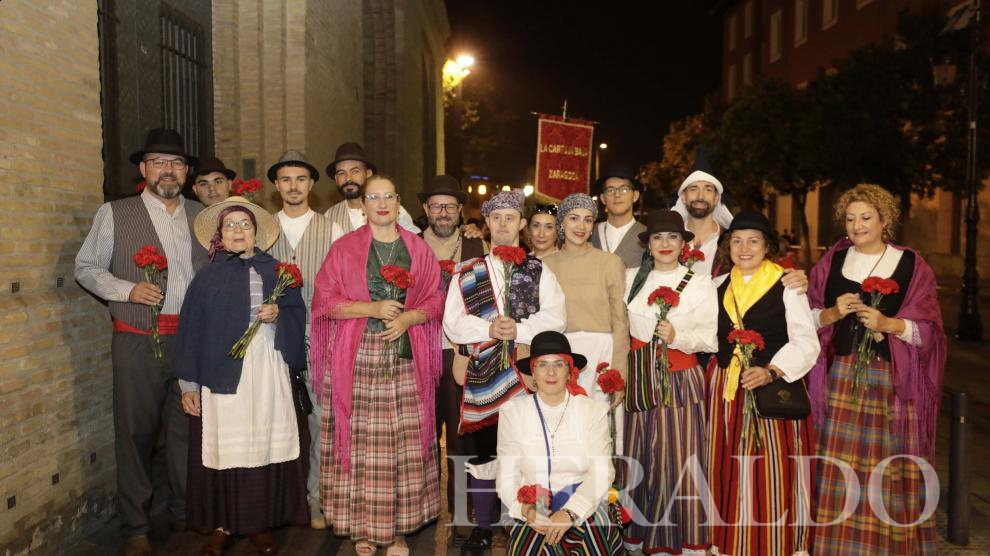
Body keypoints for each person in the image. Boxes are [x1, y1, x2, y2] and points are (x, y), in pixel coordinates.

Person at [75, 128, 206, 556]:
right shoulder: (116, 213)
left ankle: (188, 516)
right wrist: (126, 289)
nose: (168, 171)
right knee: (135, 433)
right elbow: (86, 266)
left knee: (189, 432)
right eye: (159, 162)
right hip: (136, 339)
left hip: (190, 341)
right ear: (143, 168)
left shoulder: (202, 216)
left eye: (177, 163)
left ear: (186, 172)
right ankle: (136, 526)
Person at [311, 174, 444, 555]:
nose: (382, 203)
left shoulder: (418, 248)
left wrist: (409, 318)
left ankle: (398, 530)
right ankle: (362, 530)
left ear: (398, 201)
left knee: (400, 444)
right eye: (374, 197)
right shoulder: (344, 248)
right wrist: (370, 308)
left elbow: (436, 299)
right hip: (358, 355)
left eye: (388, 196)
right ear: (364, 204)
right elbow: (324, 302)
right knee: (361, 442)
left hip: (406, 356)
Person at [808, 184, 945, 555]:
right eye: (850, 219)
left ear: (885, 220)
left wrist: (889, 325)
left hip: (890, 382)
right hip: (840, 378)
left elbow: (930, 332)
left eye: (866, 217)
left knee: (888, 466)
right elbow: (806, 320)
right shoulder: (831, 263)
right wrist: (834, 313)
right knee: (837, 465)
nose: (857, 225)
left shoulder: (912, 265)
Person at [175, 196, 307, 555]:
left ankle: (259, 525)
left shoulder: (276, 271)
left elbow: (298, 315)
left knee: (261, 442)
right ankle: (222, 525)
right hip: (221, 373)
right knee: (224, 447)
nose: (237, 231)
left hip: (266, 366)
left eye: (244, 225)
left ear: (255, 234)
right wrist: (188, 383)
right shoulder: (207, 277)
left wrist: (279, 313)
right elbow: (189, 330)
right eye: (230, 225)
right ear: (219, 235)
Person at [443, 189, 567, 555]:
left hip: (524, 377)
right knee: (484, 455)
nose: (502, 224)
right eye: (495, 218)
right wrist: (488, 330)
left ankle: (527, 526)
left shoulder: (538, 270)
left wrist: (520, 329)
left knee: (528, 452)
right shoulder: (466, 271)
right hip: (482, 377)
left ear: (522, 224)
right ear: (486, 225)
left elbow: (556, 316)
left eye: (509, 218)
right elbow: (452, 321)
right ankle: (483, 528)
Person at [707, 211, 820, 556]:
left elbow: (806, 341)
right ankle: (729, 543)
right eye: (737, 240)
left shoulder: (785, 284)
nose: (744, 248)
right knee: (727, 466)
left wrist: (772, 370)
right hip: (727, 389)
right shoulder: (716, 286)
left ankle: (776, 545)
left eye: (753, 240)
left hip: (771, 389)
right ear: (728, 246)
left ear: (767, 246)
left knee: (773, 469)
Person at [621, 210, 717, 555]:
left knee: (682, 459)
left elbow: (710, 339)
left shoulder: (700, 284)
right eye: (658, 238)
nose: (665, 244)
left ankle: (686, 540)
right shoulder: (629, 278)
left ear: (682, 244)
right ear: (648, 245)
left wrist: (678, 335)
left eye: (672, 238)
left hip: (680, 378)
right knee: (640, 455)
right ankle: (638, 536)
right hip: (640, 378)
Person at [496, 331, 624, 555]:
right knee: (528, 549)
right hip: (535, 507)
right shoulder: (512, 412)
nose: (551, 372)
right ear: (533, 372)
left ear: (570, 372)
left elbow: (602, 472)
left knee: (592, 540)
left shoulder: (592, 411)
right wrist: (525, 509)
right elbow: (506, 477)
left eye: (559, 364)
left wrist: (571, 512)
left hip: (584, 499)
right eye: (543, 364)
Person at [266, 150, 341, 529]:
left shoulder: (333, 229)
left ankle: (317, 498)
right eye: (285, 179)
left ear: (312, 184)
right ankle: (275, 502)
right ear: (276, 185)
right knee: (272, 419)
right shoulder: (261, 229)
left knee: (320, 421)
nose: (293, 186)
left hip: (321, 338)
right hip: (270, 338)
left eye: (300, 179)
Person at [416, 174, 487, 539]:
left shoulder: (477, 247)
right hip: (418, 352)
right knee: (421, 435)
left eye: (450, 206)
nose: (443, 213)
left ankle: (462, 511)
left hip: (460, 355)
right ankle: (423, 510)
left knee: (461, 437)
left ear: (460, 210)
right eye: (436, 206)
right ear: (425, 209)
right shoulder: (408, 246)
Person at [543, 193, 629, 449]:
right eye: (573, 218)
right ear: (561, 222)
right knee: (564, 437)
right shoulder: (545, 265)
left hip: (602, 357)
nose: (580, 226)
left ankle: (605, 489)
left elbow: (620, 322)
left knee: (601, 438)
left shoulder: (611, 263)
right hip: (561, 360)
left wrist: (618, 372)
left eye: (588, 220)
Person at [323, 142, 421, 234]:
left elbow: (415, 243)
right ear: (336, 179)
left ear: (368, 174)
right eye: (341, 173)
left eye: (355, 171)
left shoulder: (391, 209)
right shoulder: (329, 216)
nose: (348, 178)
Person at [590, 164, 648, 269]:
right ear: (603, 198)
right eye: (610, 190)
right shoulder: (589, 233)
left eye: (624, 189)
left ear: (635, 196)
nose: (617, 195)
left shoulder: (648, 236)